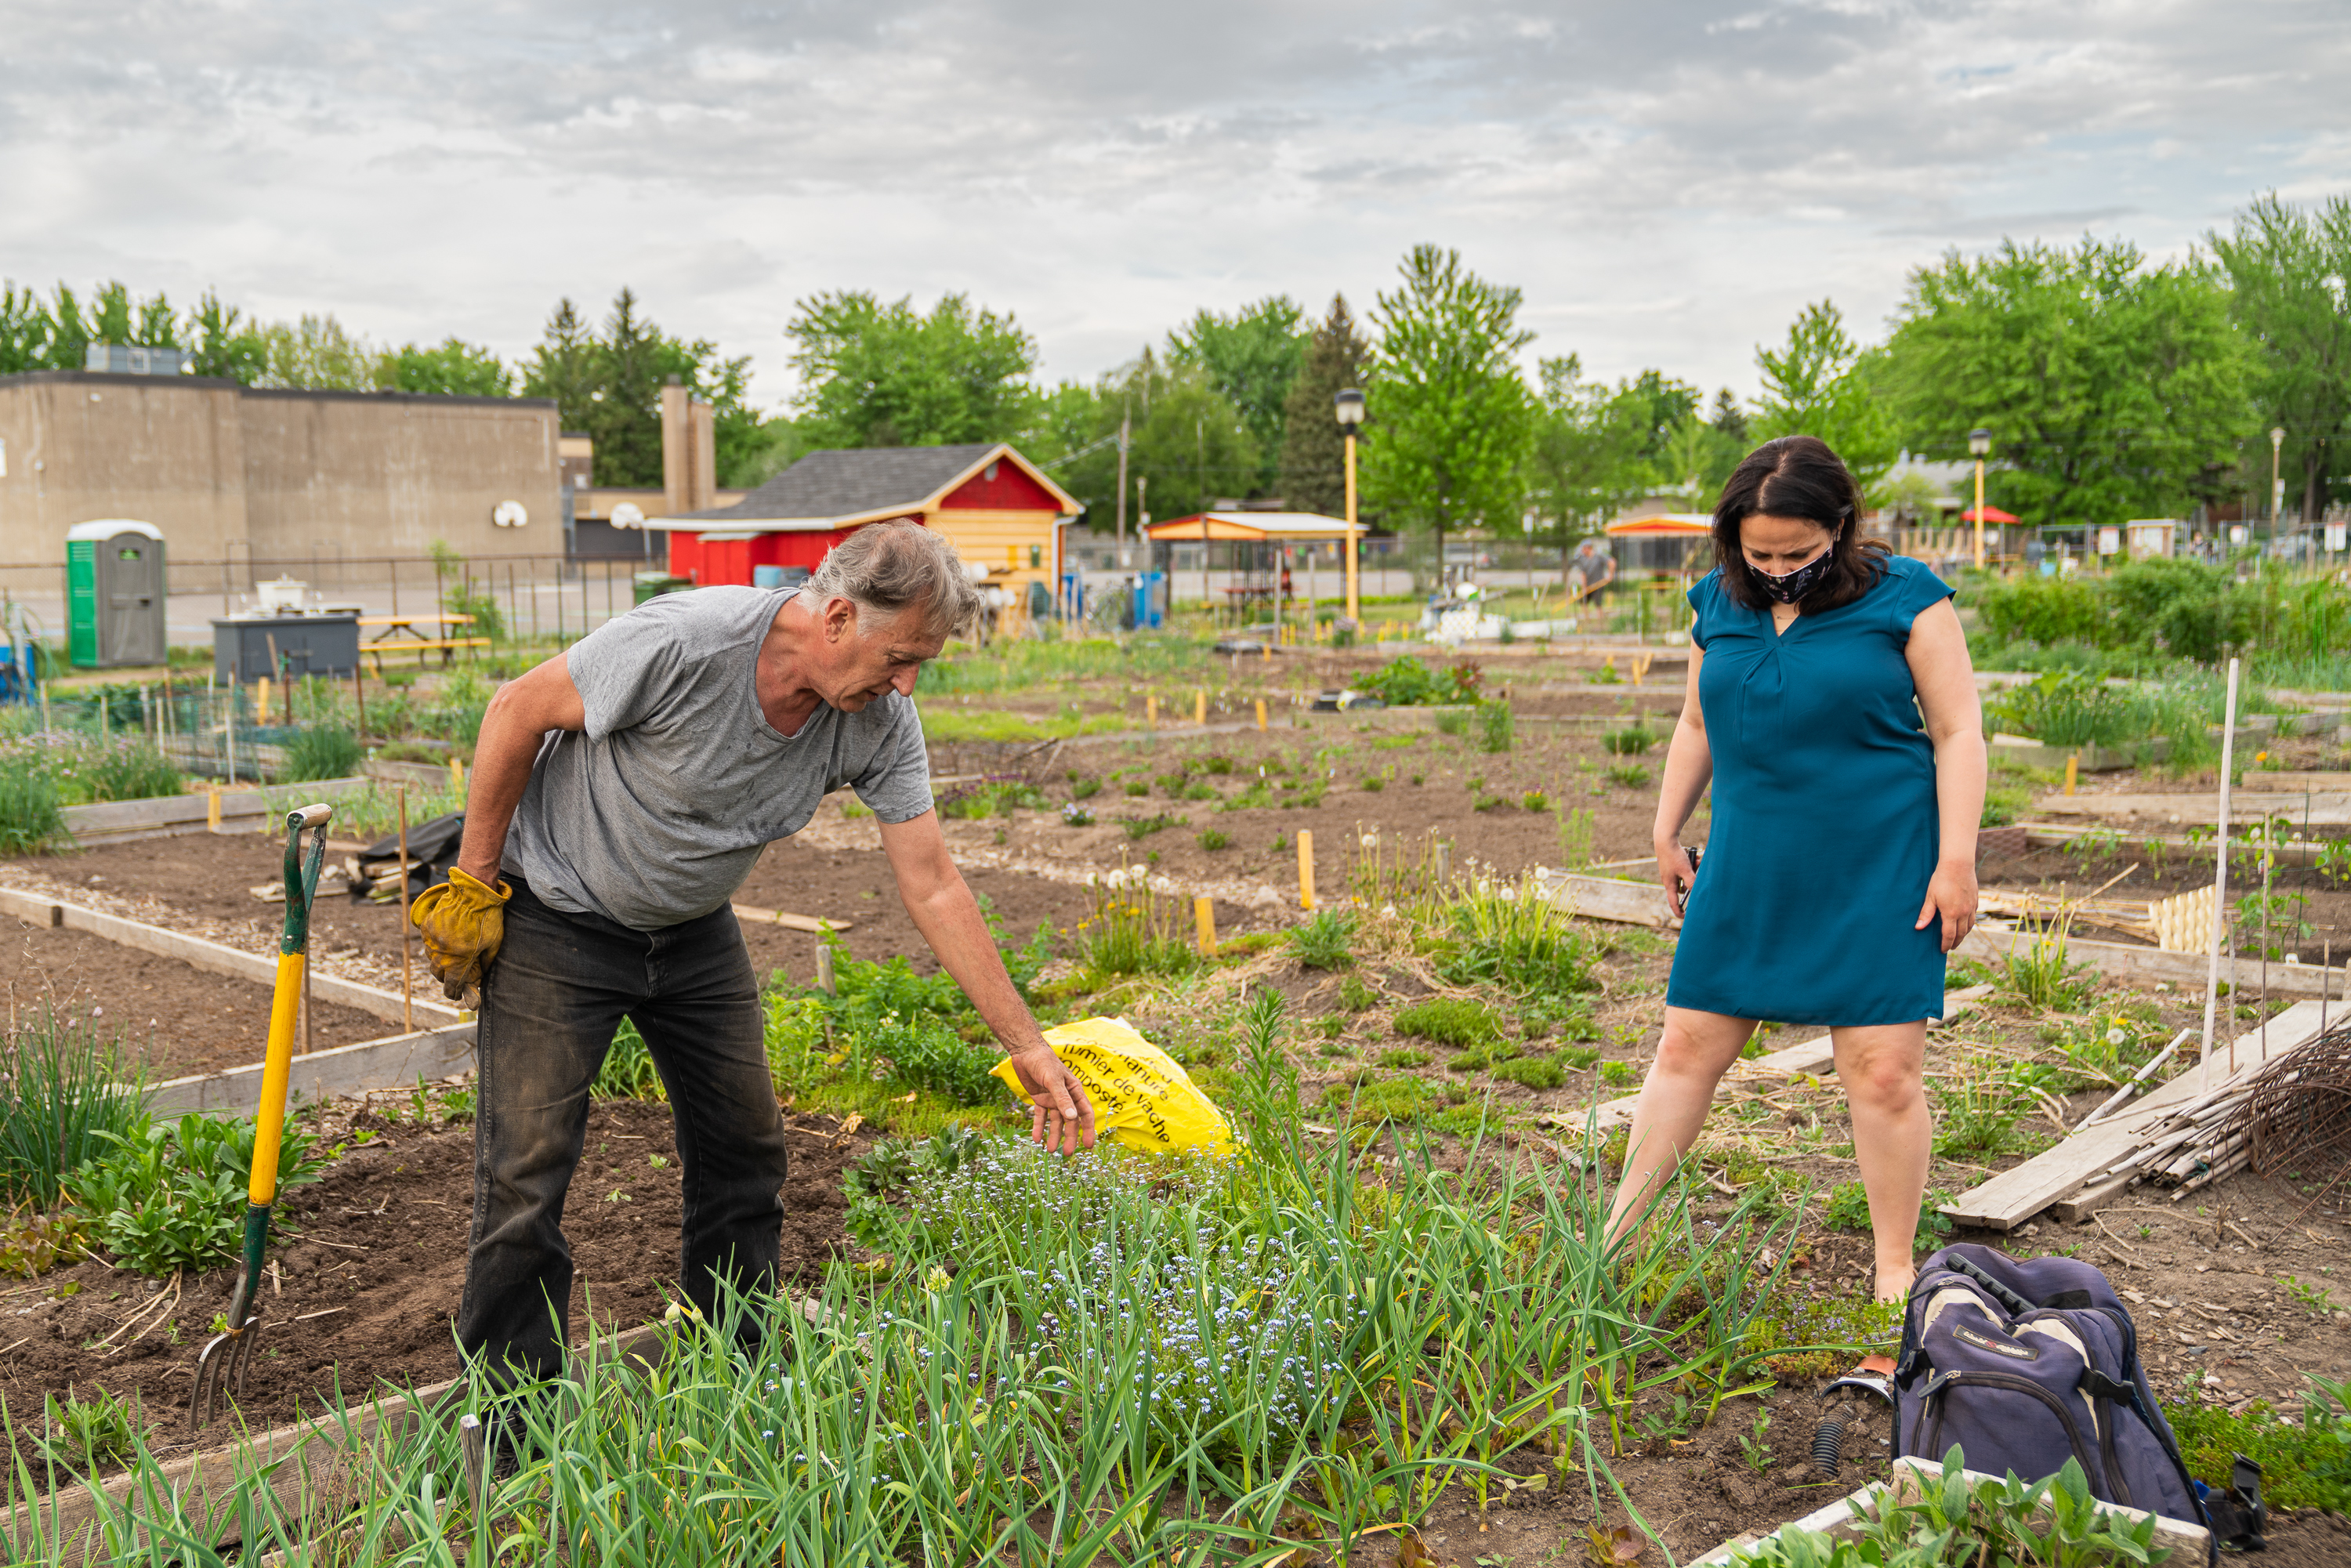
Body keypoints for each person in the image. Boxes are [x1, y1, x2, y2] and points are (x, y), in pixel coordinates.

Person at [410, 520, 1098, 1389]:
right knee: (526, 1172)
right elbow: (516, 708)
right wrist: (475, 883)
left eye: (923, 663)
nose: (909, 682)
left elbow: (931, 884)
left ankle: (734, 1355)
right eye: (901, 657)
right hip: (561, 917)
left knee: (745, 1148)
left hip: (693, 932)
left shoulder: (879, 721)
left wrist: (1026, 1045)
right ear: (840, 618)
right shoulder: (682, 643)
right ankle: (509, 1413)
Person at [1604, 436, 1985, 1304]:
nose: (1777, 569)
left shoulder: (1908, 599)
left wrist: (1955, 859)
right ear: (1733, 539)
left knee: (1883, 1073)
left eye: (1799, 554)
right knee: (1685, 1046)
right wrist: (1666, 829)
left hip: (1880, 864)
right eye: (1760, 552)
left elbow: (1959, 731)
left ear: (1841, 529)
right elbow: (1697, 725)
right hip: (1750, 863)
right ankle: (1616, 1240)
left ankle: (1894, 1267)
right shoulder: (1717, 604)